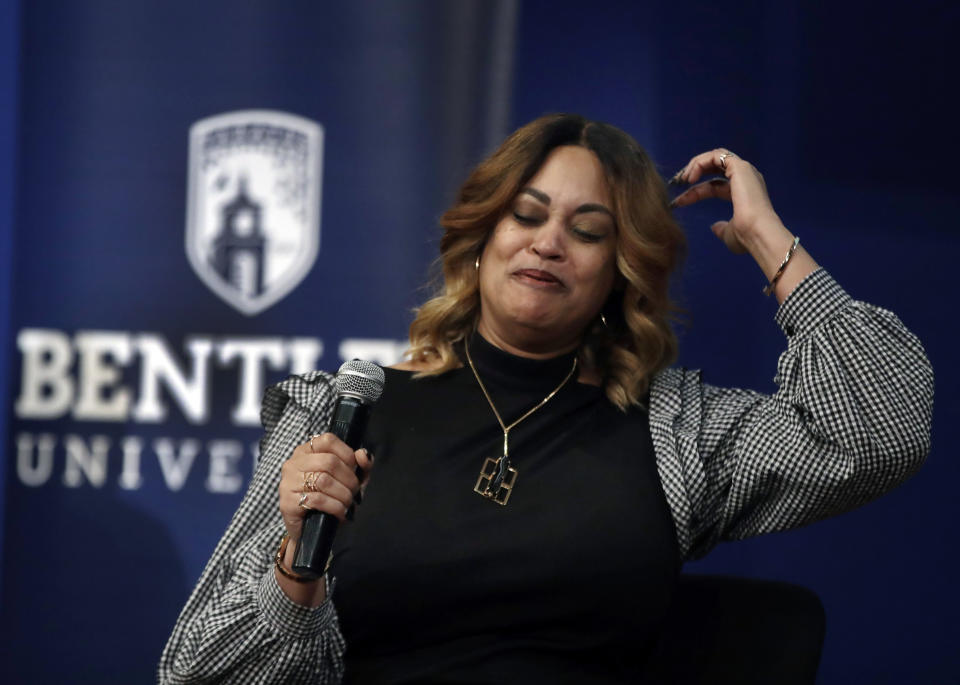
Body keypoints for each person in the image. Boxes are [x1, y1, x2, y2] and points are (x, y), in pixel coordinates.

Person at [158, 114, 933, 683]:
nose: (547, 241)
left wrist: (769, 239)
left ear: (619, 271)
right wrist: (296, 576)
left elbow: (877, 430)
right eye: (526, 215)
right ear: (481, 238)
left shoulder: (677, 434)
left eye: (587, 230)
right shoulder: (343, 412)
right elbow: (198, 670)